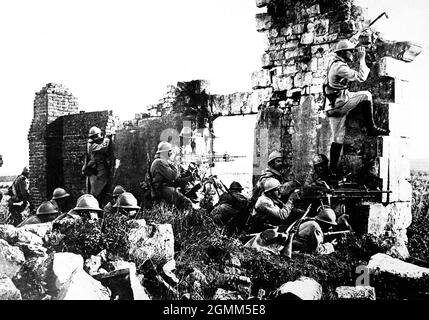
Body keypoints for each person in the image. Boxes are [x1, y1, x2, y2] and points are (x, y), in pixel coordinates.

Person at [324, 39, 389, 175]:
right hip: (341, 103)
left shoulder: (333, 63)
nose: (353, 54)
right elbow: (361, 77)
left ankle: (332, 170)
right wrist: (362, 58)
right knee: (366, 95)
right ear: (343, 53)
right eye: (350, 51)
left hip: (331, 106)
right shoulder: (340, 67)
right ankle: (371, 127)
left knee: (337, 139)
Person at [150, 141, 193, 210]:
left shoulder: (161, 162)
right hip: (162, 189)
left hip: (164, 188)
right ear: (165, 152)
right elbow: (173, 176)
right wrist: (175, 162)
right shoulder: (160, 162)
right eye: (169, 151)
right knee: (186, 203)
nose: (171, 153)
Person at [82, 126, 112, 207]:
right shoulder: (92, 145)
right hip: (96, 175)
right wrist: (107, 138)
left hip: (94, 173)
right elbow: (104, 146)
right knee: (96, 195)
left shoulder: (91, 144)